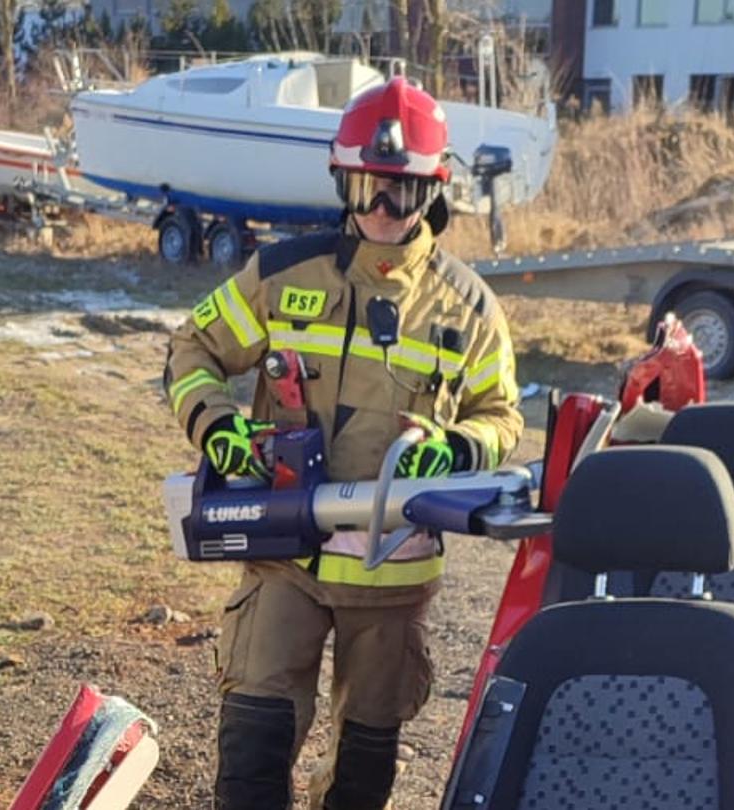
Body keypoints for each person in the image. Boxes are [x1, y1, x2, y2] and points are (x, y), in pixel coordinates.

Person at [165, 76, 524, 810]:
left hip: (391, 573)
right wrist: (218, 427)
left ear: (434, 192)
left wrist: (456, 449)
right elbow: (191, 349)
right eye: (368, 190)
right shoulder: (281, 275)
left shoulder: (470, 308)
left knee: (362, 780)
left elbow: (502, 416)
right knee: (252, 755)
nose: (384, 211)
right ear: (342, 183)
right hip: (284, 555)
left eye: (403, 192)